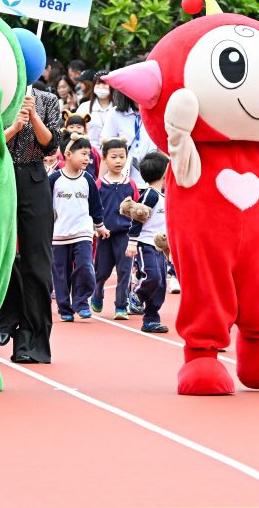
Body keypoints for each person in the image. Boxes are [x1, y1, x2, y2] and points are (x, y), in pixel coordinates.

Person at [0, 89, 62, 363]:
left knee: (38, 264)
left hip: (35, 180)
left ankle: (32, 341)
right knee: (0, 256)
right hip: (0, 180)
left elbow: (51, 146)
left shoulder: (47, 100)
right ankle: (5, 316)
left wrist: (33, 115)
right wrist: (14, 127)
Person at [50, 135, 109, 322]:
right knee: (61, 274)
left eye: (89, 155)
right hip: (58, 235)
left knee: (85, 266)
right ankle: (64, 308)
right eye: (83, 154)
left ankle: (82, 302)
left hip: (83, 233)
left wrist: (99, 227)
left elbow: (95, 206)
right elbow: (44, 207)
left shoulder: (88, 179)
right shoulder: (53, 180)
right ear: (68, 154)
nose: (87, 159)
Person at [90, 138, 138, 320]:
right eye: (114, 157)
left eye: (122, 157)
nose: (118, 161)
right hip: (104, 234)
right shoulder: (99, 184)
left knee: (125, 271)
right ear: (104, 159)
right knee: (101, 271)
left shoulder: (130, 184)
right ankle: (98, 291)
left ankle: (121, 306)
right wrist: (96, 227)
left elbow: (136, 208)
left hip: (124, 234)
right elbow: (93, 208)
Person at [126, 152, 171, 334]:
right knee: (152, 276)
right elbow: (138, 217)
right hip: (146, 243)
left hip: (160, 246)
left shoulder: (164, 195)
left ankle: (152, 318)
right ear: (163, 173)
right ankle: (137, 295)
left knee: (160, 283)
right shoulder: (150, 195)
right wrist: (132, 242)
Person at [101, 88, 158, 186]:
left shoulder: (156, 113)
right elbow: (106, 147)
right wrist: (100, 184)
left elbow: (162, 148)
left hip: (152, 178)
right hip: (122, 178)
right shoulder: (115, 113)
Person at [76, 69, 114, 146]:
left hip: (113, 153)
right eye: (98, 83)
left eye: (105, 84)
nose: (101, 87)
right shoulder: (84, 107)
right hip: (89, 152)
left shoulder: (119, 109)